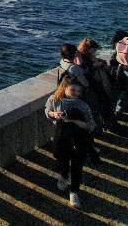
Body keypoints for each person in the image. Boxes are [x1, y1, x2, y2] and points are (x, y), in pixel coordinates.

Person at [45, 77, 96, 209]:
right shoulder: (54, 99)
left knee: (77, 166)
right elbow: (47, 111)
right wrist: (54, 114)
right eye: (72, 89)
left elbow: (91, 125)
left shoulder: (82, 105)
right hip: (61, 137)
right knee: (60, 158)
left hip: (79, 138)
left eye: (78, 91)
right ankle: (63, 175)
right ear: (64, 87)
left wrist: (73, 121)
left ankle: (74, 192)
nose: (76, 93)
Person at [77, 38, 116, 132]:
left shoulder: (83, 55)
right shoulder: (81, 57)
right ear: (88, 48)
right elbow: (84, 70)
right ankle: (99, 127)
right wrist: (96, 65)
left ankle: (103, 125)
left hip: (95, 84)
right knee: (97, 107)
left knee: (102, 105)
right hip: (91, 86)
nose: (95, 51)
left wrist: (98, 62)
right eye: (94, 49)